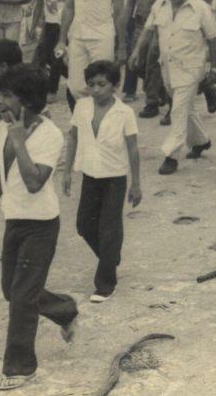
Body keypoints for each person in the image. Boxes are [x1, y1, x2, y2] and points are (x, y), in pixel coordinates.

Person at [0, 64, 78, 391]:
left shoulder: (50, 134)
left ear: (28, 100)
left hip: (41, 226)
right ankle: (65, 310)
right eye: (0, 95)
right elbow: (0, 173)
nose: (0, 102)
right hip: (14, 220)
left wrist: (20, 141)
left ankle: (20, 368)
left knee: (21, 297)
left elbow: (34, 183)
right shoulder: (5, 128)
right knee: (12, 290)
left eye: (6, 95)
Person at [61, 60, 141, 302]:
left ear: (114, 86)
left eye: (102, 84)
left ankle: (105, 283)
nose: (96, 89)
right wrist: (67, 171)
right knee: (84, 225)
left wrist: (136, 183)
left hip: (115, 178)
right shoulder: (82, 107)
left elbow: (133, 148)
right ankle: (111, 258)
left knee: (109, 229)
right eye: (92, 84)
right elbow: (73, 137)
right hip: (90, 175)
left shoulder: (124, 113)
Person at [130, 0, 216, 176]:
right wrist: (136, 52)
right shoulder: (160, 5)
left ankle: (171, 156)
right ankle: (201, 141)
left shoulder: (200, 8)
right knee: (185, 108)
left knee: (178, 110)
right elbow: (148, 30)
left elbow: (213, 38)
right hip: (168, 67)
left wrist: (215, 67)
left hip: (191, 67)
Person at [31, 0, 67, 103]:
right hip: (49, 24)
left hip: (63, 25)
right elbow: (39, 4)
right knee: (43, 56)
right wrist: (33, 25)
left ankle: (52, 90)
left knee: (57, 57)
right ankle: (70, 75)